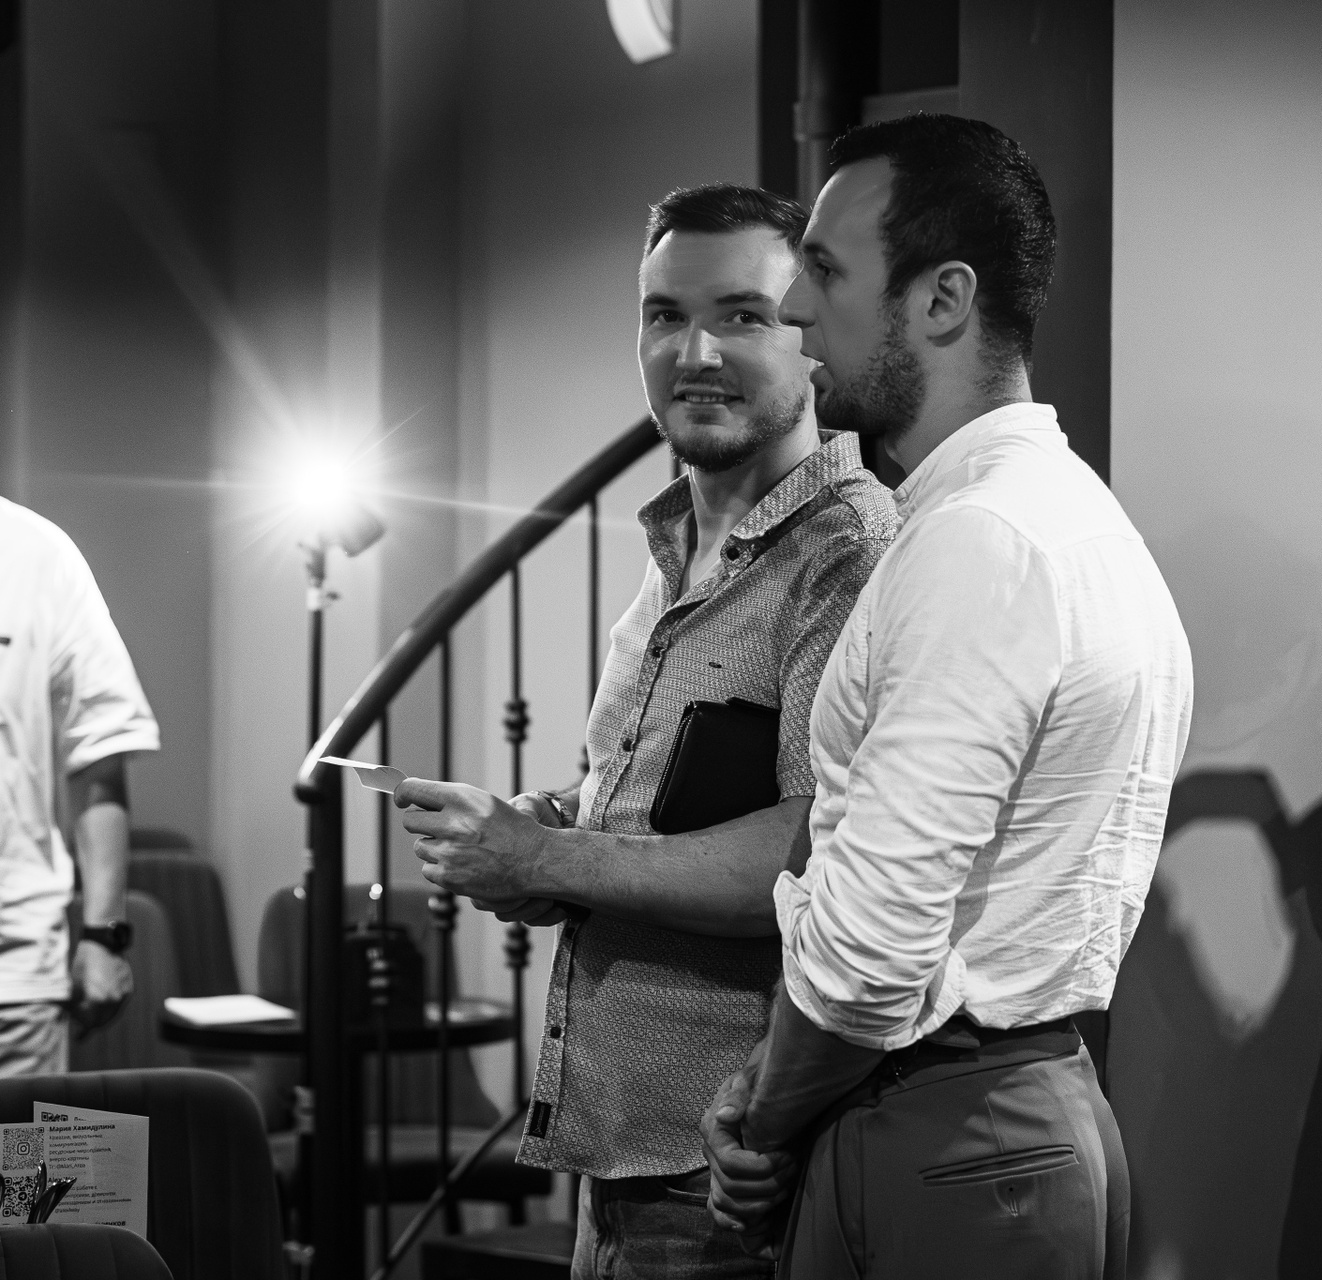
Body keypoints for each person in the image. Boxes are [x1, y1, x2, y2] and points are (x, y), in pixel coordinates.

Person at [699, 114, 1193, 1280]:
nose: (795, 309)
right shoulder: (1057, 515)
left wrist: (764, 1122)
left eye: (826, 271)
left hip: (947, 1129)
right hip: (985, 1114)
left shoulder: (982, 541)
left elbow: (874, 943)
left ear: (942, 298)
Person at [396, 182, 897, 1280]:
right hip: (613, 1152)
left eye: (742, 315)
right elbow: (635, 794)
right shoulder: (675, 544)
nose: (695, 352)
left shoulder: (850, 553)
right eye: (666, 315)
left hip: (734, 1162)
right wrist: (541, 822)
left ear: (809, 332)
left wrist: (546, 858)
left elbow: (814, 851)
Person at [0, 498, 159, 1075]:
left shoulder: (37, 552)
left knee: (24, 1146)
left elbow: (100, 757)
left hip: (14, 978)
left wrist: (103, 936)